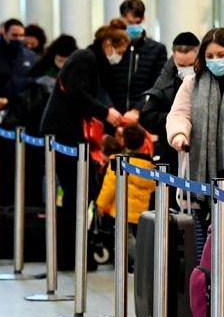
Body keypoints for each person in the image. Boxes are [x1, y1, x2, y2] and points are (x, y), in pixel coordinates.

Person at [39, 19, 130, 270]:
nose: (119, 58)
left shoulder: (91, 61)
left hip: (69, 132)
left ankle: (75, 252)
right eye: (119, 52)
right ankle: (71, 254)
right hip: (65, 132)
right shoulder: (85, 59)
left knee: (78, 193)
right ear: (108, 44)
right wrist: (106, 113)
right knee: (76, 193)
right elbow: (78, 95)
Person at [166, 28, 224, 263]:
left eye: (220, 54)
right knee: (201, 239)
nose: (215, 60)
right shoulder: (192, 83)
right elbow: (179, 115)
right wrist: (179, 134)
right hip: (201, 176)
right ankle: (205, 287)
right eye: (210, 56)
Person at [138, 31, 200, 175]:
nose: (186, 69)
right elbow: (148, 117)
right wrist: (178, 120)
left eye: (191, 64)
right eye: (181, 65)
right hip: (170, 151)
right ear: (173, 57)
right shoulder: (165, 81)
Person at [101, 0, 169, 127]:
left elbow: (157, 86)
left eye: (136, 22)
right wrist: (109, 108)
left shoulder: (156, 50)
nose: (132, 27)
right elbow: (104, 82)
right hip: (113, 118)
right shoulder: (113, 49)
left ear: (143, 20)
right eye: (128, 23)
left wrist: (138, 109)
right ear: (121, 19)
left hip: (142, 120)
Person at [96, 123, 155, 225]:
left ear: (123, 140)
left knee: (122, 239)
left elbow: (109, 186)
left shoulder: (118, 161)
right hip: (141, 215)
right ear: (143, 143)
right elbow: (152, 187)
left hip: (120, 212)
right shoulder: (149, 165)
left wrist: (101, 204)